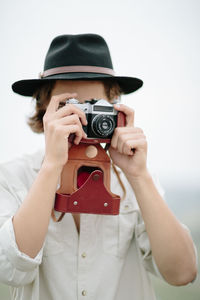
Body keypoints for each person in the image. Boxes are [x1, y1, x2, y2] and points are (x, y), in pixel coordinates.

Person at [0, 34, 197, 300]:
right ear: (45, 107)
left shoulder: (133, 180)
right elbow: (13, 269)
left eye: (94, 107)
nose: (82, 120)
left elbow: (183, 273)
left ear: (114, 107)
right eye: (71, 108)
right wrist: (51, 166)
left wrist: (138, 175)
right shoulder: (12, 177)